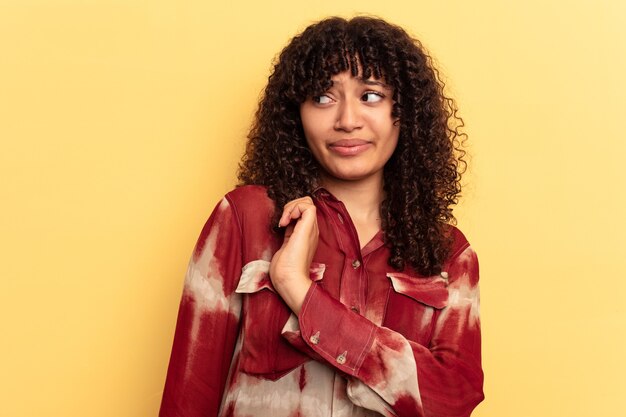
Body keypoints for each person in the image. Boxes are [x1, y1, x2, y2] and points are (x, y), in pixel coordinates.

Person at [159, 16, 484, 417]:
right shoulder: (245, 218)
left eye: (371, 96)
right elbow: (191, 393)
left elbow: (452, 401)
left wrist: (297, 289)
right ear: (296, 114)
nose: (347, 120)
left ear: (406, 112)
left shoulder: (449, 254)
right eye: (323, 98)